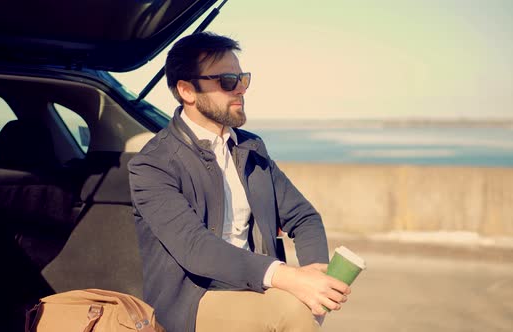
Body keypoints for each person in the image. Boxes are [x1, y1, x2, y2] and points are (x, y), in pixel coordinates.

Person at [128, 32, 351, 332]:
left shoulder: (251, 149)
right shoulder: (152, 165)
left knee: (299, 305)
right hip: (192, 302)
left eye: (242, 80)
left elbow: (304, 217)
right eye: (227, 81)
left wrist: (315, 273)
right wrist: (289, 277)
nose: (240, 91)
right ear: (187, 91)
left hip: (257, 286)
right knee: (291, 312)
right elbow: (196, 249)